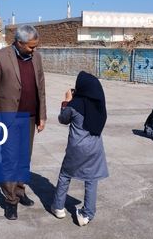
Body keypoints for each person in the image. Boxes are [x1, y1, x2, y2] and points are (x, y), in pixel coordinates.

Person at [0, 24, 46, 220]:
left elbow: (41, 87)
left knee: (24, 158)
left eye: (35, 46)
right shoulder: (0, 57)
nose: (34, 50)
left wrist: (41, 115)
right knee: (10, 159)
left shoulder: (36, 58)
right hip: (9, 119)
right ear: (19, 43)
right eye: (30, 46)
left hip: (29, 118)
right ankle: (10, 201)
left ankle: (20, 191)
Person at [50, 71, 108, 227]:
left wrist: (66, 101)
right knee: (91, 179)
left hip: (77, 147)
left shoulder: (74, 105)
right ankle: (86, 214)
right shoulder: (99, 105)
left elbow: (63, 119)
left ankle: (59, 207)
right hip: (95, 147)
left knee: (65, 175)